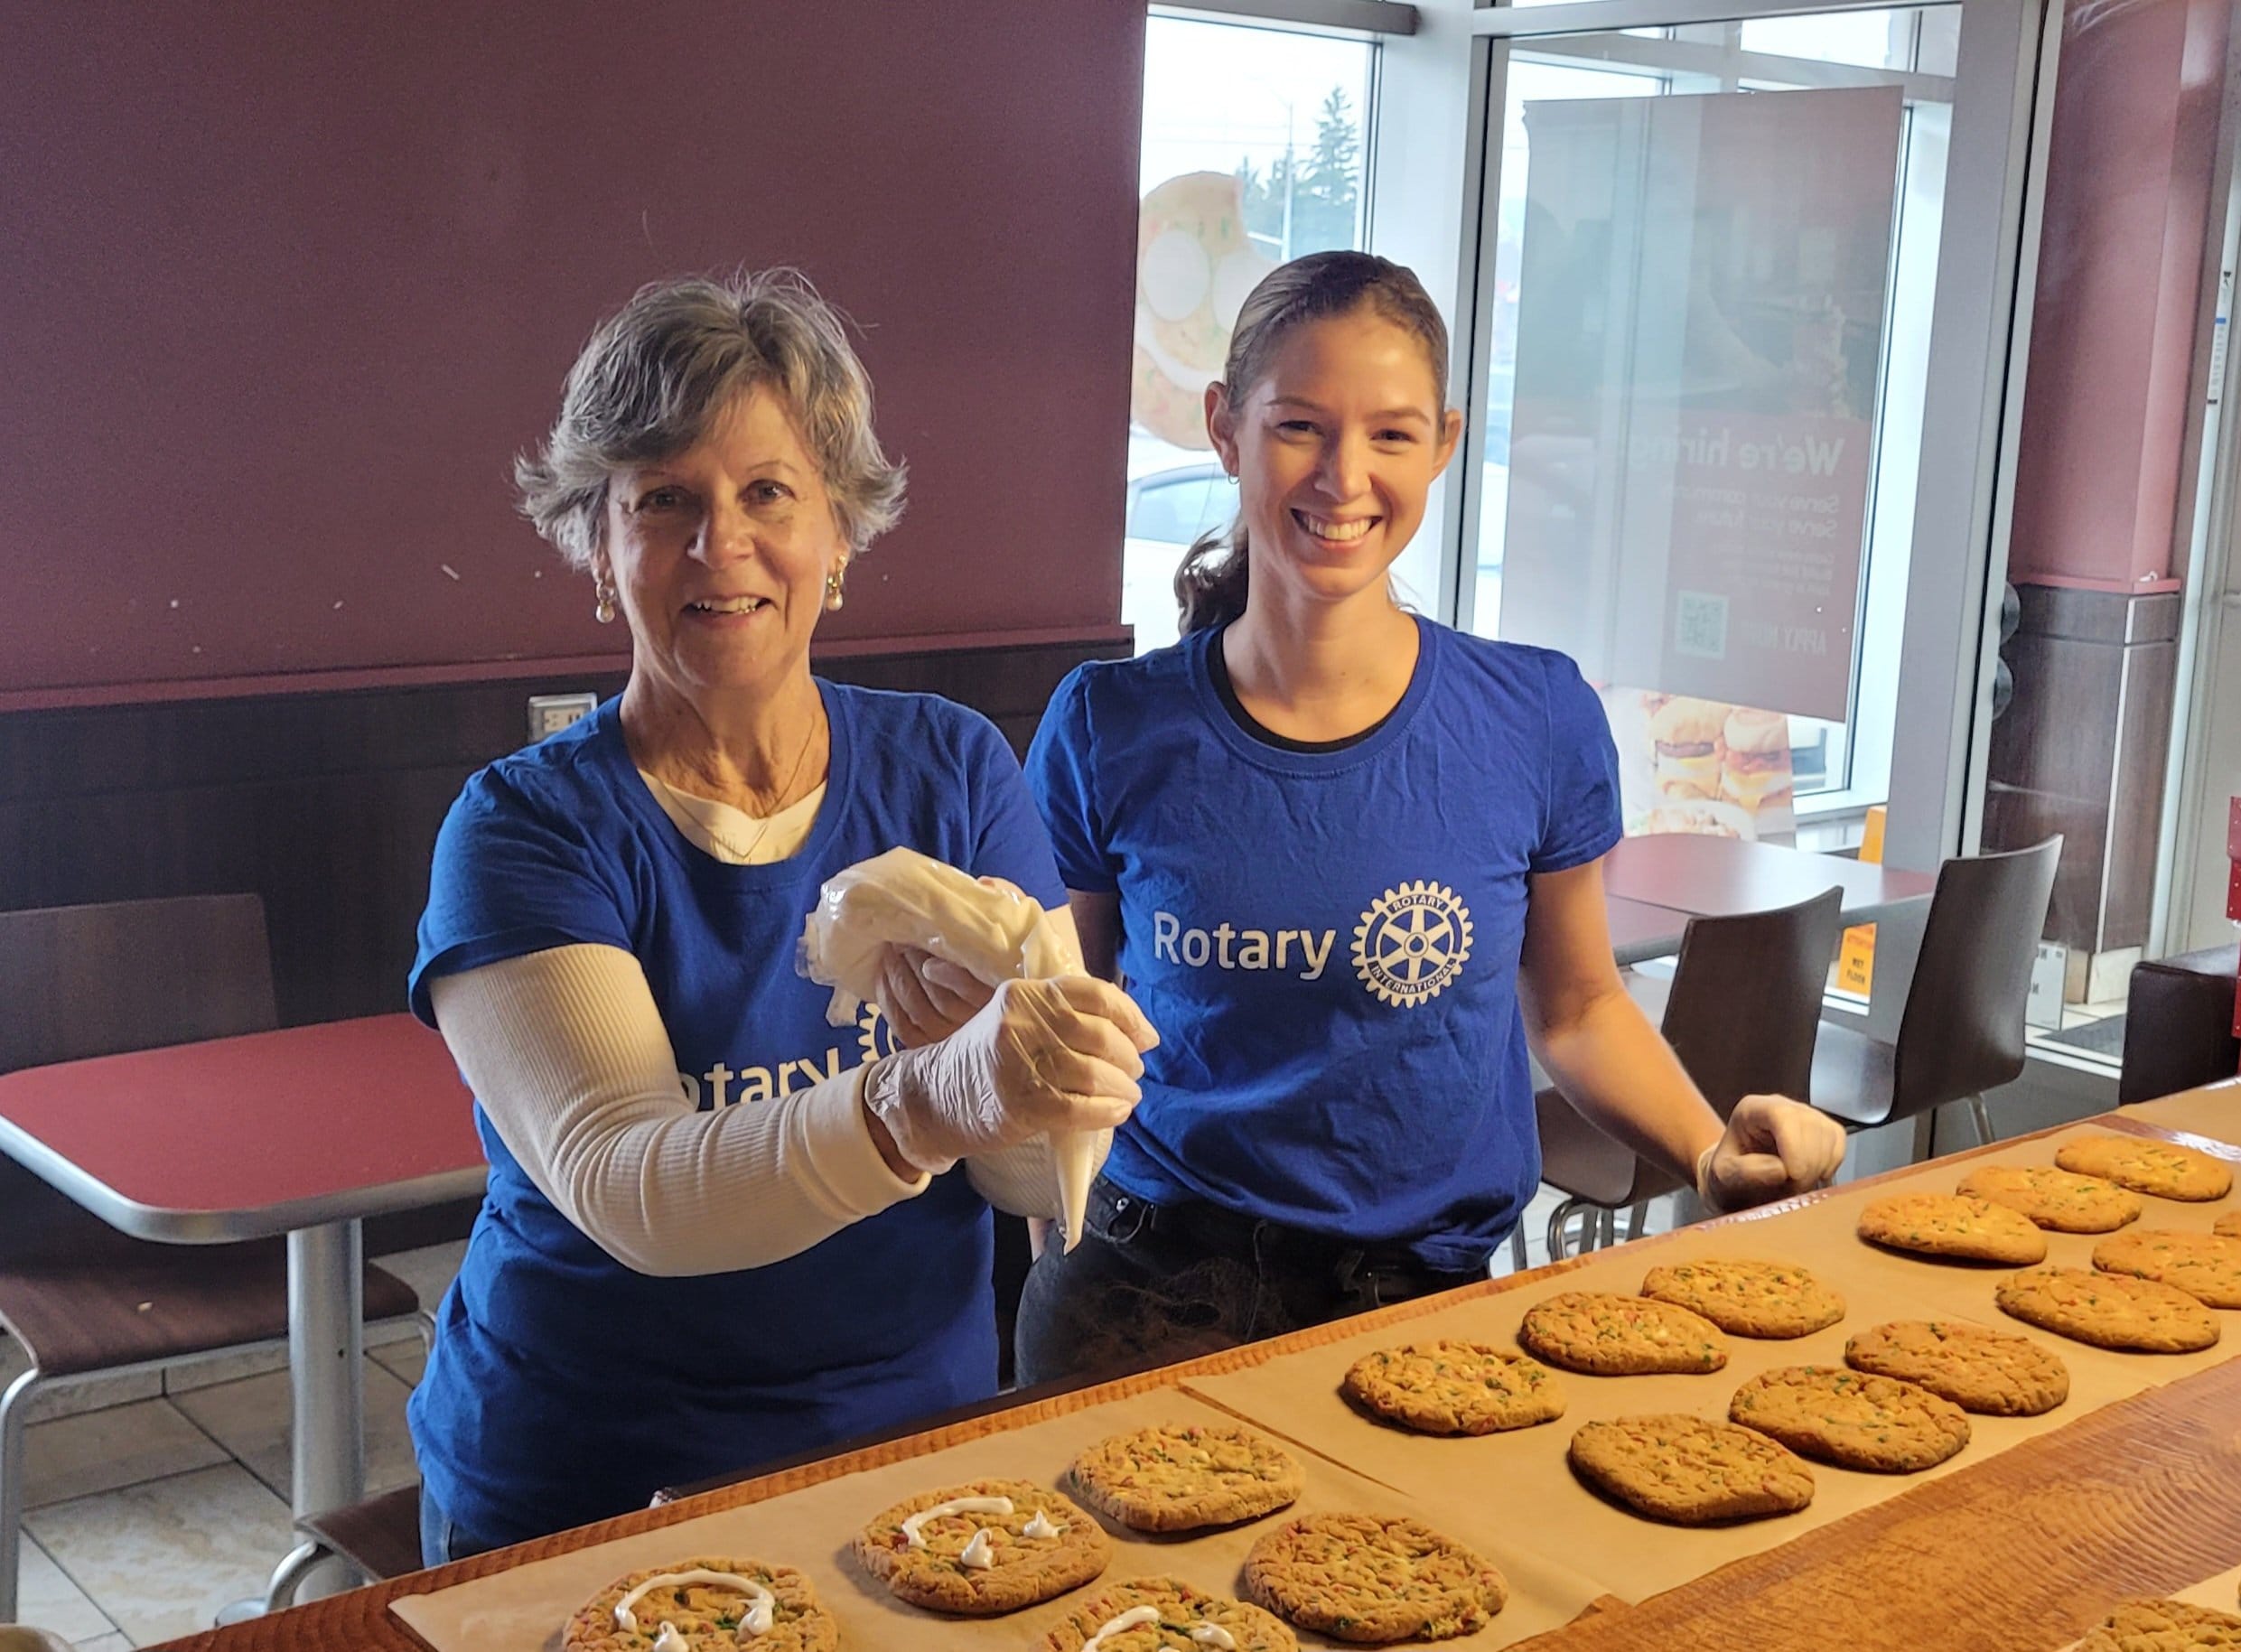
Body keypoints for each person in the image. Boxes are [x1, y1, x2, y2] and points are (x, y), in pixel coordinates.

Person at [407, 272, 1156, 1561]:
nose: (721, 545)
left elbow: (1036, 1183)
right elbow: (627, 1187)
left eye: (767, 493)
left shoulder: (954, 769)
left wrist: (1028, 1090)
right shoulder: (525, 828)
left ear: (841, 534)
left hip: (908, 1458)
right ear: (598, 546)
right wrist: (928, 1098)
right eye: (663, 501)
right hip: (593, 1479)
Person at [1011, 251, 1847, 1384]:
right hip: (1150, 1292)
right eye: (1300, 425)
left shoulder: (1535, 714)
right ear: (1225, 429)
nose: (1344, 477)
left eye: (1393, 434)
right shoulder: (1108, 723)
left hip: (1429, 1302)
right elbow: (1073, 1025)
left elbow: (1579, 1004)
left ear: (1445, 443)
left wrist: (1708, 1151)